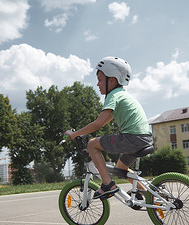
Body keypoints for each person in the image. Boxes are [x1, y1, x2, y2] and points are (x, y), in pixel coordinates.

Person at [64, 57, 153, 199]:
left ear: (112, 80)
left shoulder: (113, 96)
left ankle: (107, 184)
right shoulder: (123, 96)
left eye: (100, 79)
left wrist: (73, 135)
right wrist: (86, 130)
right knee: (120, 168)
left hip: (132, 138)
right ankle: (148, 194)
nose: (97, 84)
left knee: (92, 144)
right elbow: (103, 122)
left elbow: (98, 124)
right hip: (144, 138)